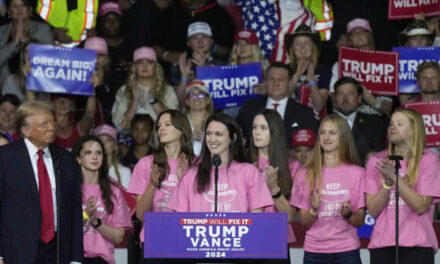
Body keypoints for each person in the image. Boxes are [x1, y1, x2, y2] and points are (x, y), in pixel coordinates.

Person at [0, 101, 83, 263]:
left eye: (52, 121)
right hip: (16, 251)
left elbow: (75, 211)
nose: (52, 127)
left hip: (57, 251)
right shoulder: (5, 158)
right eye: (43, 124)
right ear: (26, 131)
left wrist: (76, 259)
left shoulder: (66, 159)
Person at [365, 109, 440, 264]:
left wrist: (394, 177)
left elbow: (420, 206)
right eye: (391, 123)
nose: (392, 127)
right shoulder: (377, 160)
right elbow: (372, 210)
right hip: (382, 246)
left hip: (418, 247)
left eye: (399, 124)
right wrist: (387, 184)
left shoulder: (429, 160)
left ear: (414, 130)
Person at [291, 114, 366, 264]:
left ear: (343, 137)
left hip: (347, 250)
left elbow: (359, 221)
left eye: (332, 133)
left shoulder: (358, 173)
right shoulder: (304, 174)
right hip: (315, 251)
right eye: (323, 133)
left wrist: (348, 214)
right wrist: (314, 209)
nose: (326, 137)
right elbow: (304, 222)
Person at [168, 113, 273, 212]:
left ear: (233, 138)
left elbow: (258, 221)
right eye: (209, 134)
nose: (212, 139)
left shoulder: (249, 172)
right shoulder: (189, 175)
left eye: (218, 134)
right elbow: (179, 221)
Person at [127, 109, 194, 262]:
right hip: (155, 242)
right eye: (159, 126)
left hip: (187, 243)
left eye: (167, 124)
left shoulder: (197, 165)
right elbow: (140, 215)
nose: (161, 128)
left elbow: (199, 211)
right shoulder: (146, 164)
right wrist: (152, 184)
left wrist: (182, 181)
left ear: (181, 129)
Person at [248, 109, 299, 264]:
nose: (257, 132)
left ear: (275, 131)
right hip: (247, 240)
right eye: (254, 127)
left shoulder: (293, 166)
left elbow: (289, 216)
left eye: (263, 128)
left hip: (276, 241)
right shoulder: (243, 165)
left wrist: (274, 189)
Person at [72, 135, 132, 264]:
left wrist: (96, 222)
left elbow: (118, 237)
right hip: (74, 259)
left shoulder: (114, 192)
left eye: (98, 153)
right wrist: (86, 215)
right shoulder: (68, 190)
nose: (94, 157)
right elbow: (63, 233)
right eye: (88, 152)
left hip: (102, 260)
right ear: (78, 159)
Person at [237, 62, 318, 143]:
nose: (276, 83)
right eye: (271, 79)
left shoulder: (304, 113)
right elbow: (236, 134)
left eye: (281, 79)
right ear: (265, 82)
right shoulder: (249, 107)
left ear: (289, 83)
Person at [329, 18, 393, 116]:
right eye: (354, 33)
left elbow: (388, 107)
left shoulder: (385, 63)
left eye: (363, 31)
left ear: (370, 36)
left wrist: (374, 102)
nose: (358, 35)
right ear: (349, 41)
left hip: (376, 121)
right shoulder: (340, 65)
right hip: (347, 119)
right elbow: (334, 101)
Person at [112, 46, 178, 129]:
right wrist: (134, 102)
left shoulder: (168, 90)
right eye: (140, 62)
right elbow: (119, 127)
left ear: (156, 67)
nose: (145, 66)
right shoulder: (124, 90)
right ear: (135, 67)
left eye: (149, 62)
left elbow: (174, 125)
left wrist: (153, 99)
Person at [332, 77, 388, 165]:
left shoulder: (375, 123)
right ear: (334, 98)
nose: (345, 98)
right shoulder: (324, 123)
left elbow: (377, 157)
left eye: (350, 94)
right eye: (340, 94)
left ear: (359, 98)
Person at [0, 0, 53, 88]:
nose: (19, 9)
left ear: (30, 10)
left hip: (36, 86)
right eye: (14, 6)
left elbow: (49, 60)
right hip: (6, 88)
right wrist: (14, 44)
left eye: (23, 5)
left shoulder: (43, 30)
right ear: (9, 12)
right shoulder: (1, 31)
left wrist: (25, 40)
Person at [284, 24, 331, 119]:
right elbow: (282, 99)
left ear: (313, 47)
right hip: (290, 121)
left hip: (314, 123)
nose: (302, 47)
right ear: (292, 48)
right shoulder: (284, 70)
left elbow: (319, 106)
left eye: (307, 43)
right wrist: (297, 74)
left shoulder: (323, 70)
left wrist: (311, 78)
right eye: (297, 43)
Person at [174, 21, 225, 106]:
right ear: (188, 43)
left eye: (204, 37)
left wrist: (202, 71)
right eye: (194, 38)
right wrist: (184, 77)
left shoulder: (221, 66)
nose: (200, 41)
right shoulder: (179, 65)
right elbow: (179, 103)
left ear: (211, 41)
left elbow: (218, 100)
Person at [93, 124, 132, 190]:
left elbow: (128, 199)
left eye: (108, 140)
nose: (104, 143)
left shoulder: (124, 172)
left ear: (114, 146)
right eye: (100, 140)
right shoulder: (88, 171)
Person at [184, 80, 213, 156]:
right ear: (187, 101)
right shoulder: (179, 123)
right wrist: (189, 140)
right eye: (192, 95)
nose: (196, 98)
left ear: (207, 100)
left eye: (201, 95)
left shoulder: (217, 122)